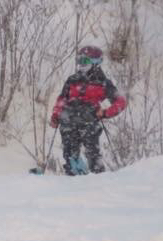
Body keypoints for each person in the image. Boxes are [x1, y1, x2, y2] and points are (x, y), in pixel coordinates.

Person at [49, 45, 126, 175]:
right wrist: (55, 115)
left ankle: (97, 181)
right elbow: (62, 99)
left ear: (96, 62)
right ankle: (71, 182)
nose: (80, 65)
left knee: (93, 156)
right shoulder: (72, 80)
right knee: (69, 156)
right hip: (68, 121)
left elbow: (121, 101)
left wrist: (106, 113)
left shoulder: (103, 82)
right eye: (78, 61)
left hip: (89, 124)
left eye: (84, 61)